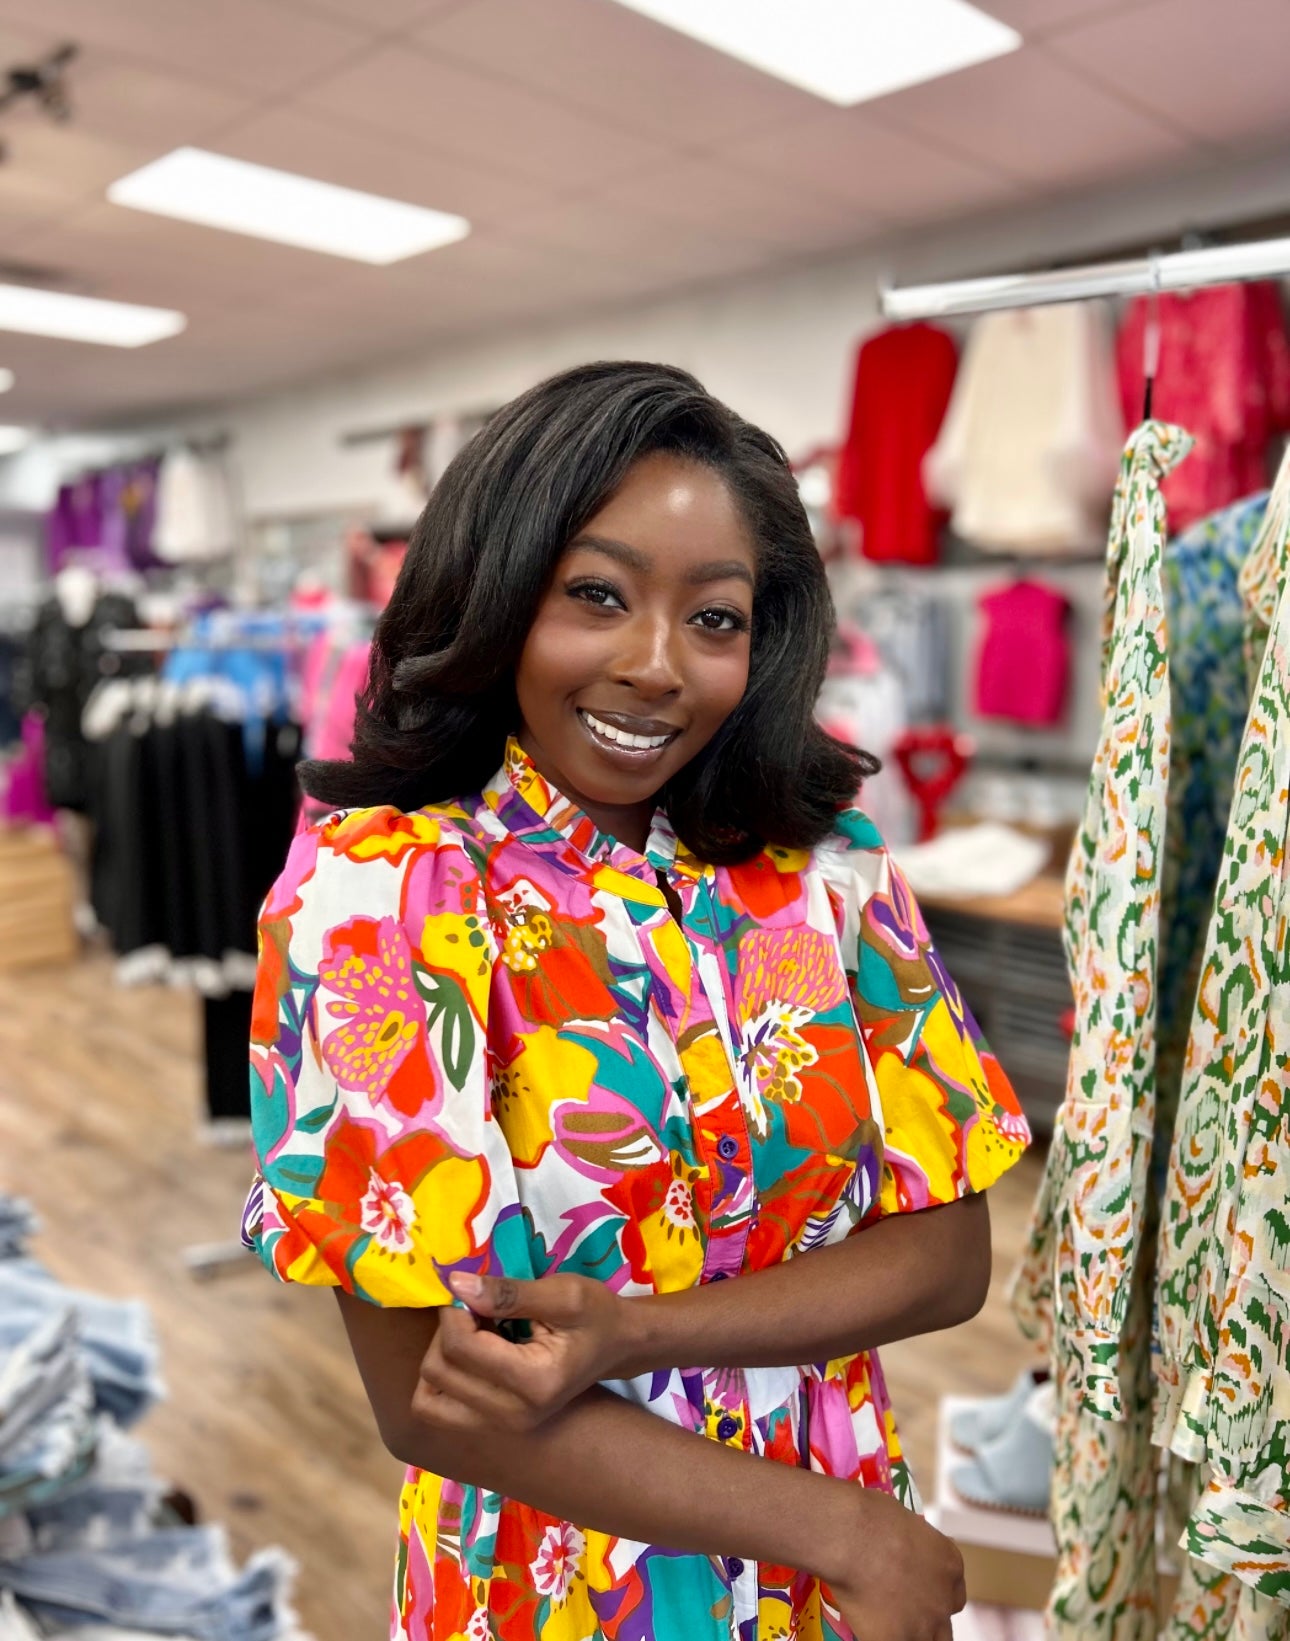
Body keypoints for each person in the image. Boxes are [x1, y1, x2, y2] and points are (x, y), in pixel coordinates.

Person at [240, 361, 1032, 1641]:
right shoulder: (388, 898)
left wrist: (629, 1331)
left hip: (833, 1574)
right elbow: (429, 1393)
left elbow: (946, 1257)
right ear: (498, 596)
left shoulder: (823, 876)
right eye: (595, 596)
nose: (657, 667)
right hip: (573, 1579)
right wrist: (849, 1534)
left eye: (714, 619)